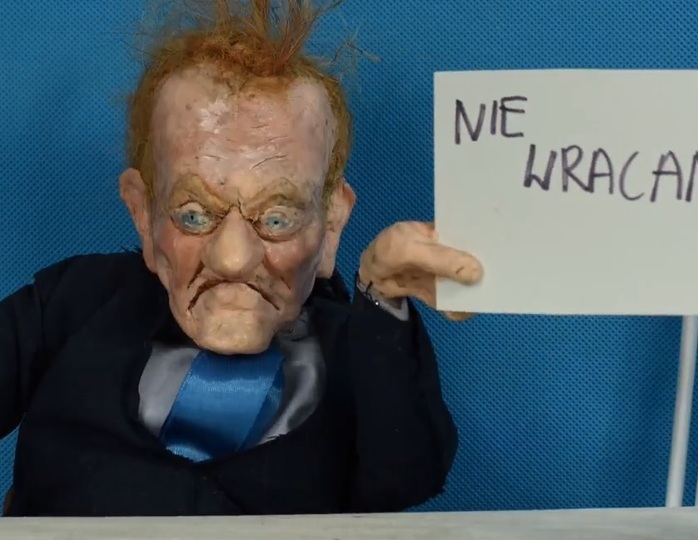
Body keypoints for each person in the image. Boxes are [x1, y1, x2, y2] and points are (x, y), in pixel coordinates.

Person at [0, 0, 482, 517]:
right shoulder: (71, 305)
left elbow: (408, 475)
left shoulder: (356, 354)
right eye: (193, 215)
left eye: (276, 218)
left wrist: (383, 302)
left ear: (331, 224)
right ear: (143, 213)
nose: (232, 259)